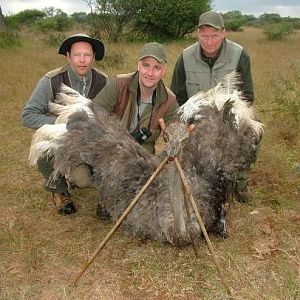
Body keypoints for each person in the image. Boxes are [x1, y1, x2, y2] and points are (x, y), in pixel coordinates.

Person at [170, 11, 255, 202]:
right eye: (204, 36)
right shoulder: (185, 57)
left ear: (223, 33)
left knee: (254, 130)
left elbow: (248, 96)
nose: (209, 41)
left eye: (214, 35)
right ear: (198, 34)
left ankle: (239, 182)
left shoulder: (239, 55)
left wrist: (232, 121)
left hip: (228, 119)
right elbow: (177, 97)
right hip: (197, 121)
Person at [21, 33, 108, 215]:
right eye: (77, 55)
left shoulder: (103, 81)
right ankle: (59, 190)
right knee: (43, 148)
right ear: (68, 56)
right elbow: (28, 115)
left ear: (93, 57)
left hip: (89, 141)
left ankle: (100, 186)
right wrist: (60, 124)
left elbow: (110, 115)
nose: (82, 60)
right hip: (60, 140)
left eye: (87, 55)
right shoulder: (51, 80)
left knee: (83, 181)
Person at [93, 42, 179, 155]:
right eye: (146, 65)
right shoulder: (118, 85)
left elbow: (176, 137)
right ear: (138, 65)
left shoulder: (169, 101)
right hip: (109, 149)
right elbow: (93, 115)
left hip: (142, 158)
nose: (150, 73)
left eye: (157, 67)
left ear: (164, 71)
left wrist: (168, 153)